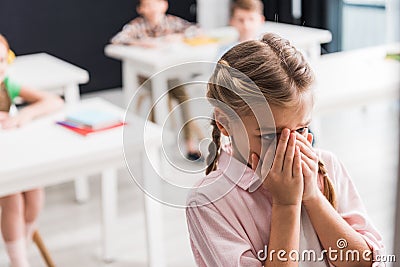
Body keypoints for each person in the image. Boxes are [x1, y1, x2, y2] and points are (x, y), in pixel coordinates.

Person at [186, 33, 384, 266]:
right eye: (270, 135)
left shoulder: (328, 166)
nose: (289, 147)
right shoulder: (208, 202)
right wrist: (286, 204)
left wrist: (313, 196)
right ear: (224, 123)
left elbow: (366, 262)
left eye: (301, 130)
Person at [111, 0, 204, 160]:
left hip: (169, 75)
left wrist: (177, 36)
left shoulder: (172, 22)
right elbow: (117, 39)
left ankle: (190, 143)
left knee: (183, 97)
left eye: (155, 3)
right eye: (147, 5)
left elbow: (197, 30)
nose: (152, 8)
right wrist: (143, 43)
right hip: (146, 76)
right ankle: (155, 143)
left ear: (164, 5)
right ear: (140, 9)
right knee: (159, 98)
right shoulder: (137, 26)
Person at [0, 34, 63, 267]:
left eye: (1, 60)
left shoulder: (7, 85)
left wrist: (26, 114)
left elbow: (54, 101)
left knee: (35, 192)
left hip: (14, 157)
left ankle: (21, 246)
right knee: (13, 198)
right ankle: (19, 261)